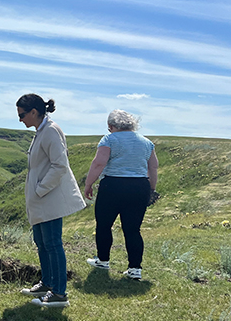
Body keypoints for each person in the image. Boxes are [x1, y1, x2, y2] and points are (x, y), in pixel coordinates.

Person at [17, 94, 86, 308]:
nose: (20, 120)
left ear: (34, 112)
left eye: (22, 115)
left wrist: (40, 189)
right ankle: (47, 283)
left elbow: (60, 165)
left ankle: (59, 293)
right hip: (41, 199)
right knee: (42, 243)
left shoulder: (51, 131)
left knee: (53, 244)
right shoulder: (42, 131)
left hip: (49, 198)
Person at [83, 109, 158, 280]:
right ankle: (135, 268)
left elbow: (99, 163)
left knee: (104, 224)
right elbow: (153, 167)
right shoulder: (147, 143)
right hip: (140, 186)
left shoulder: (109, 139)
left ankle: (103, 260)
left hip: (113, 185)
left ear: (111, 126)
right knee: (133, 229)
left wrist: (89, 184)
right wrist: (151, 189)